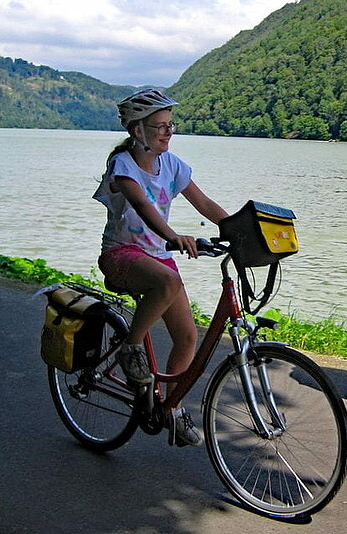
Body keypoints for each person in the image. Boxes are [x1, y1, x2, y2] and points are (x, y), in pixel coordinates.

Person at [92, 89, 228, 446]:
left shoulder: (173, 164)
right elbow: (143, 206)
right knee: (167, 281)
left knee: (187, 337)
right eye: (160, 126)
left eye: (170, 125)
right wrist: (173, 236)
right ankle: (131, 347)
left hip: (158, 257)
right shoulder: (123, 166)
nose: (168, 132)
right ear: (138, 130)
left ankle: (172, 409)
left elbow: (204, 203)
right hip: (121, 253)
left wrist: (241, 230)